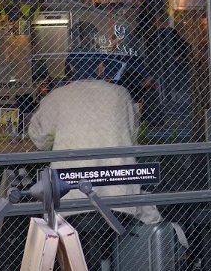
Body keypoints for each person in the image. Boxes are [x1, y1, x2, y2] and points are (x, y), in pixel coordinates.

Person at [28, 54, 162, 270]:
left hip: (71, 198)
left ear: (70, 68)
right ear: (100, 68)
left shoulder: (57, 96)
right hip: (119, 196)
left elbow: (39, 138)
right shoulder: (120, 93)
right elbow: (132, 134)